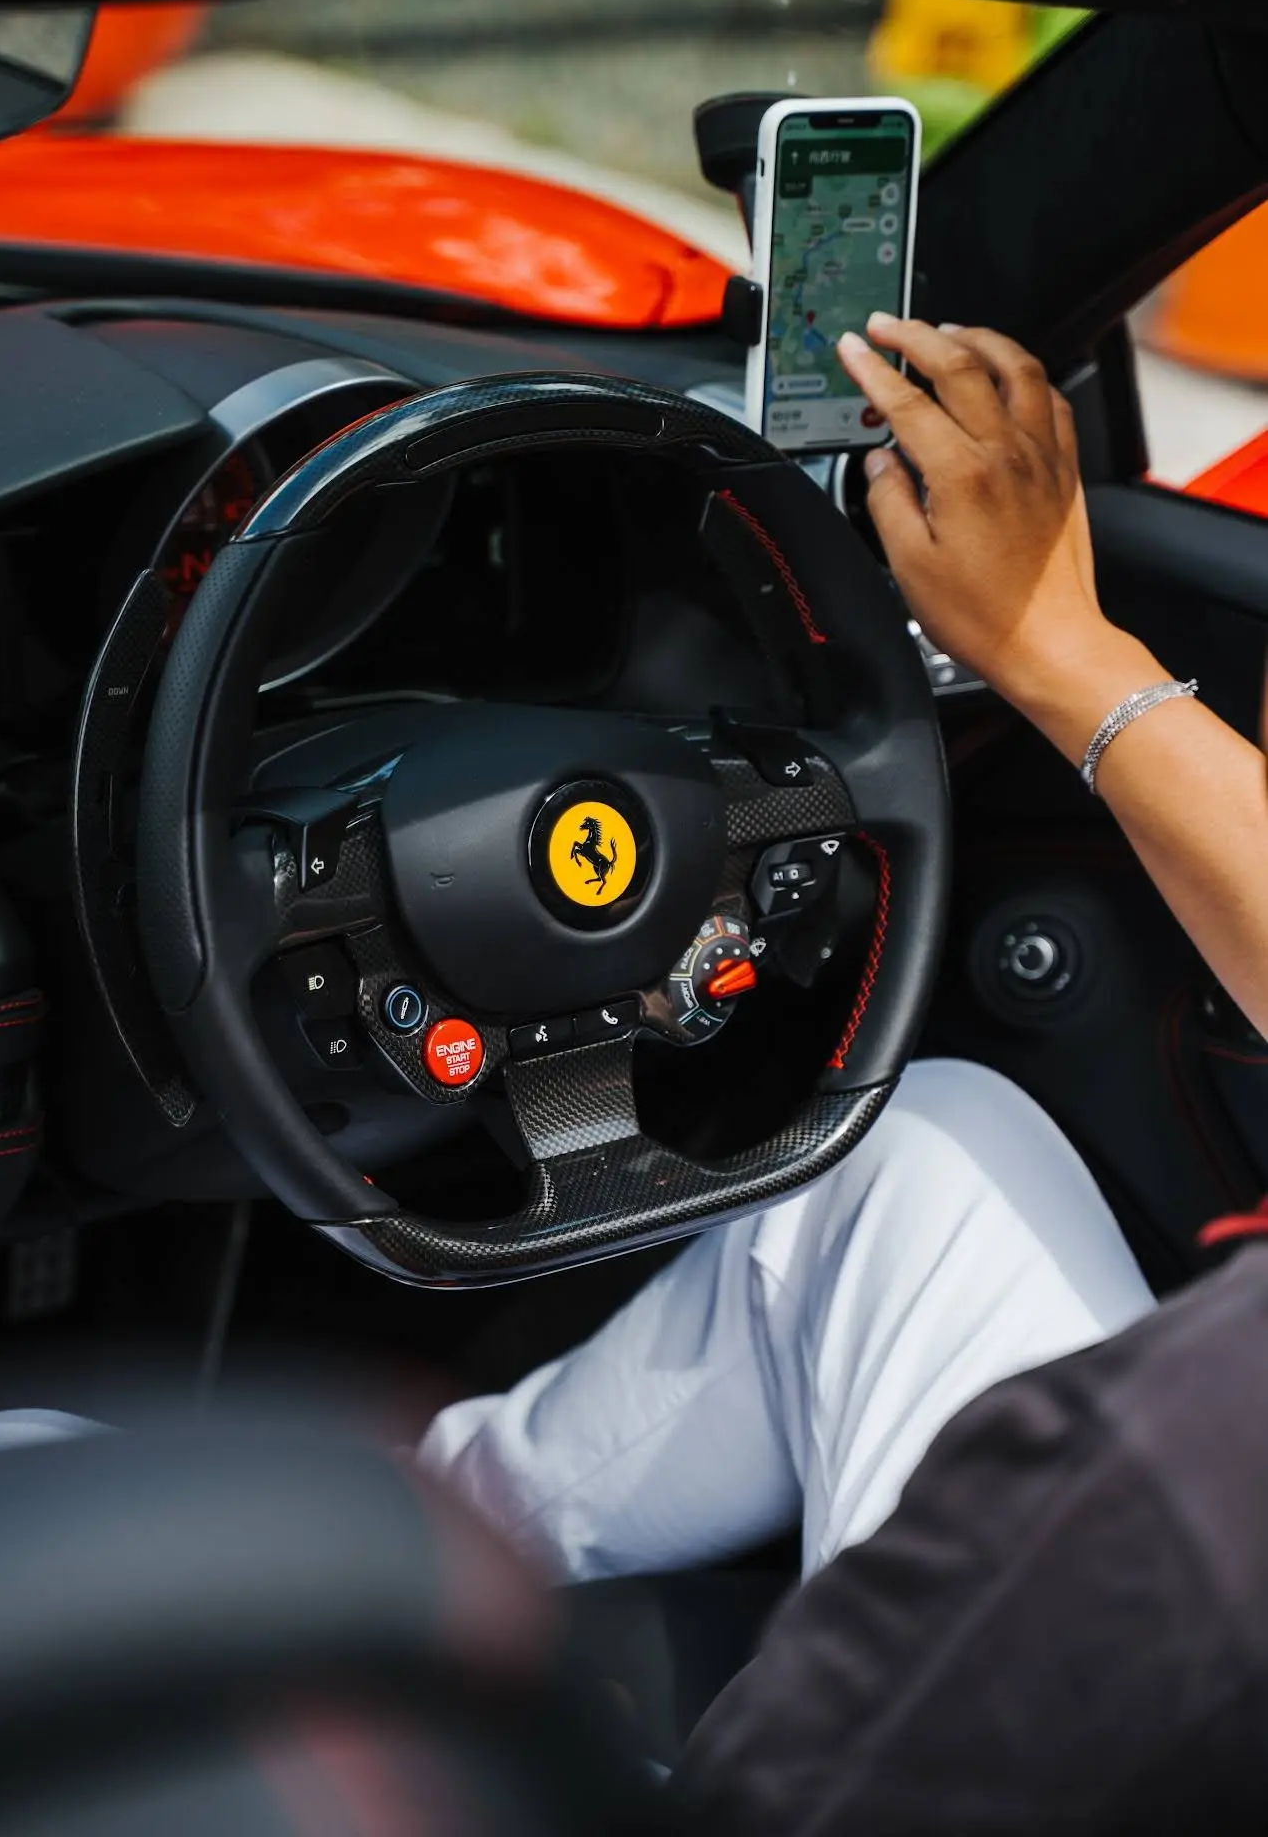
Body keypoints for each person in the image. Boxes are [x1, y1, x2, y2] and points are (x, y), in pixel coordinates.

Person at [421, 315, 1268, 1830]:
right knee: (914, 1152)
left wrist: (1054, 649)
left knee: (0, 1467)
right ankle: (419, 1542)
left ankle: (311, 1605)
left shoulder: (1189, 1469)